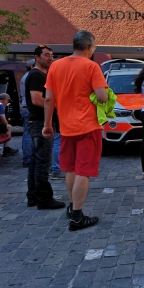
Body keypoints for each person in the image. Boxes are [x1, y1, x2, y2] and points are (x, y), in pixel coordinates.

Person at [43, 30, 108, 231]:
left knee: (70, 168)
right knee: (84, 171)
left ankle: (72, 207)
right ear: (89, 47)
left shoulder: (55, 66)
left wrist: (47, 124)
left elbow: (48, 99)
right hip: (88, 126)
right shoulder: (91, 66)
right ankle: (77, 217)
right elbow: (102, 97)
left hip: (66, 127)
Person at [25, 45, 65, 210]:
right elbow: (36, 99)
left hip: (38, 122)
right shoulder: (37, 75)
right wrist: (56, 106)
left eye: (51, 55)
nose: (50, 58)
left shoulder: (42, 74)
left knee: (36, 161)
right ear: (37, 57)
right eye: (47, 55)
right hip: (40, 122)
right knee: (43, 162)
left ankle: (33, 196)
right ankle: (44, 198)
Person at [20, 59, 35, 168]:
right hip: (28, 108)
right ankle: (28, 159)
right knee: (28, 135)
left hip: (25, 107)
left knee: (27, 134)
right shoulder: (30, 77)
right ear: (31, 67)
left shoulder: (25, 76)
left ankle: (28, 158)